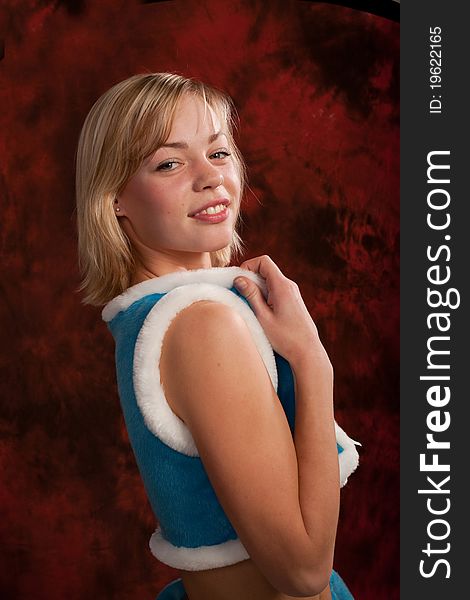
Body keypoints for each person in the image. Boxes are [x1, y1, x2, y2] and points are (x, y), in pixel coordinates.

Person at [75, 73, 359, 600]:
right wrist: (313, 361)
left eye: (220, 152)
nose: (211, 179)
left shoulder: (157, 317)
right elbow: (302, 574)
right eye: (170, 163)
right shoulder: (203, 323)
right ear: (115, 198)